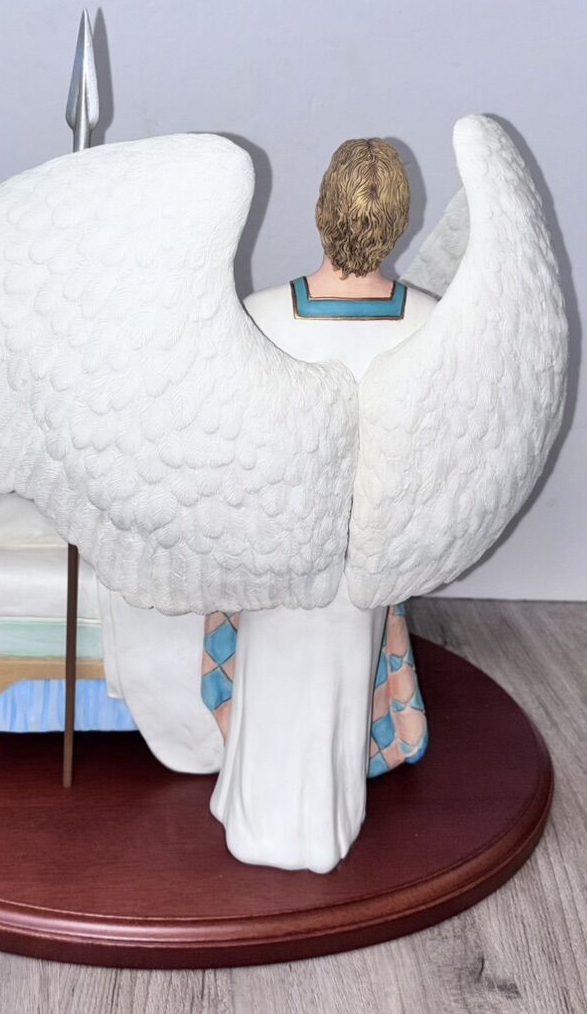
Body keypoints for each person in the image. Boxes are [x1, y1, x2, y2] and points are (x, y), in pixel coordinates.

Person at [204, 138, 432, 870]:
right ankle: (327, 818)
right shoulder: (432, 324)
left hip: (279, 544)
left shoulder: (258, 316)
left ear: (321, 210)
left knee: (273, 674)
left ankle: (251, 807)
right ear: (398, 222)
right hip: (360, 551)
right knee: (337, 680)